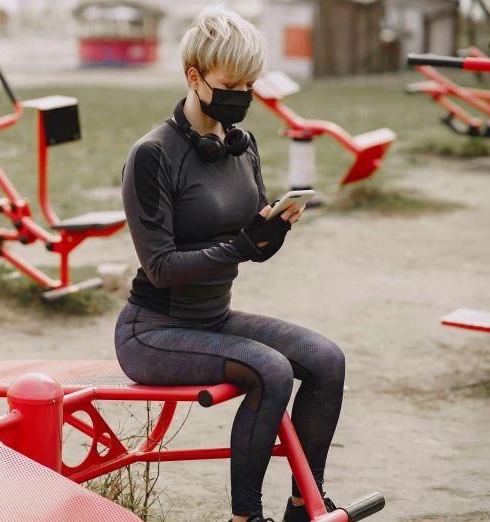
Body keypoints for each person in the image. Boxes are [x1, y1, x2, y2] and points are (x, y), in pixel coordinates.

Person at [115, 6, 345, 522]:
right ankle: (245, 516)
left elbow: (253, 245)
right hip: (153, 332)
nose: (242, 94)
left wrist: (274, 231)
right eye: (230, 82)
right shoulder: (152, 154)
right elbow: (162, 268)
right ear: (194, 77)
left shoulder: (242, 146)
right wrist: (245, 242)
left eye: (250, 83)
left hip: (214, 320)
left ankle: (303, 503)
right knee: (271, 370)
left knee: (326, 359)